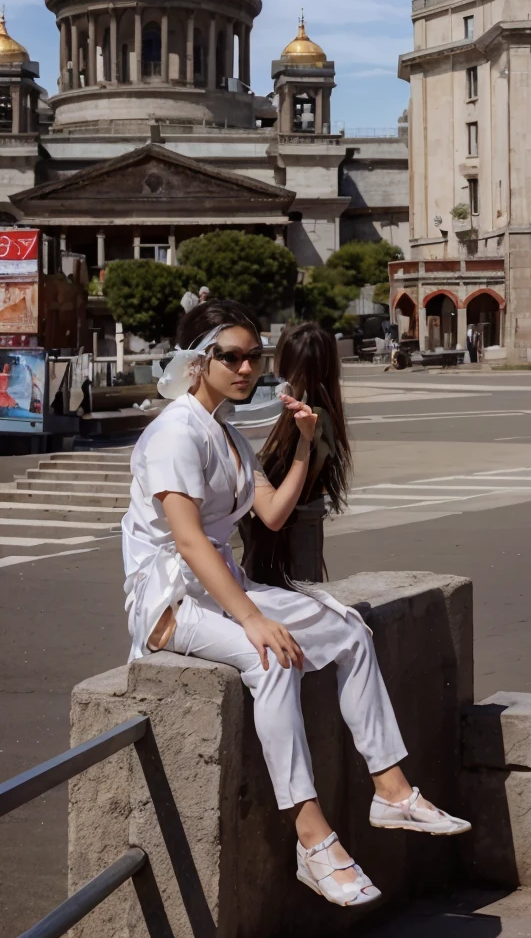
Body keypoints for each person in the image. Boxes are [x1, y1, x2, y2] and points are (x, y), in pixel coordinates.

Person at [122, 300, 469, 911]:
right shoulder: (175, 431)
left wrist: (306, 443)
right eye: (231, 356)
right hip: (172, 599)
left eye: (254, 355)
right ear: (199, 362)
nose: (247, 367)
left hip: (222, 589)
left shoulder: (226, 433)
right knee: (271, 660)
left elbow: (273, 513)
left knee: (349, 631)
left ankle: (390, 789)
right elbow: (187, 539)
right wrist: (255, 619)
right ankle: (314, 839)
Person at [239, 322, 348, 586]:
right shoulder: (322, 412)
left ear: (284, 363)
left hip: (278, 539)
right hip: (299, 531)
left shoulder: (294, 416)